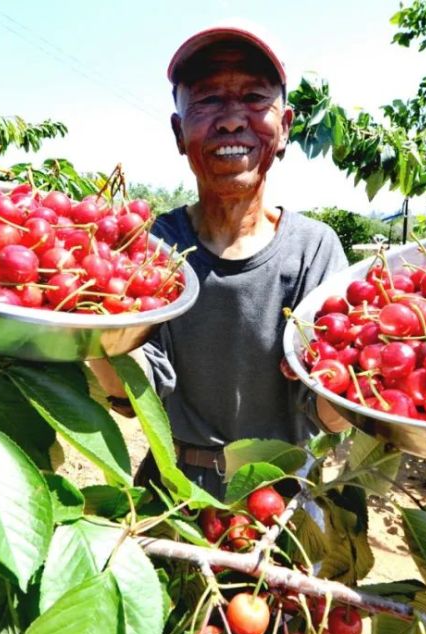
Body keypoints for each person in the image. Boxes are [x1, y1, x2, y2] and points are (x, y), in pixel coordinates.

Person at [90, 21, 350, 498]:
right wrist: (86, 325)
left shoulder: (314, 248)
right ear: (178, 131)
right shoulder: (155, 246)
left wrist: (359, 384)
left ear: (286, 126)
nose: (232, 119)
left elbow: (328, 410)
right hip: (173, 490)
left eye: (254, 97)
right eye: (208, 100)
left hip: (281, 493)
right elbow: (132, 389)